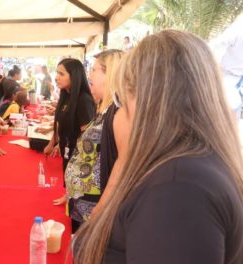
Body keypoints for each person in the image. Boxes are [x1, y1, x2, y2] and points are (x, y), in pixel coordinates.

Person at [73, 30, 243, 264]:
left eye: (121, 102)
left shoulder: (178, 188)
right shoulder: (183, 170)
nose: (118, 115)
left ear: (147, 104)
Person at [63, 49, 123, 233]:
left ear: (110, 73)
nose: (89, 74)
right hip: (84, 207)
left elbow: (124, 163)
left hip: (96, 211)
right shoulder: (105, 109)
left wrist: (102, 206)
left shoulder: (119, 112)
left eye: (95, 69)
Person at [44, 59, 95, 205]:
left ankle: (72, 197)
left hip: (78, 158)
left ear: (74, 75)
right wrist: (54, 143)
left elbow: (88, 140)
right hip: (68, 153)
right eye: (57, 73)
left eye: (61, 73)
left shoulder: (83, 100)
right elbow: (60, 124)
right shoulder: (66, 96)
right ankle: (69, 195)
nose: (56, 77)